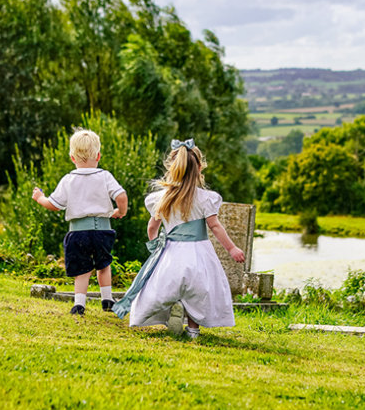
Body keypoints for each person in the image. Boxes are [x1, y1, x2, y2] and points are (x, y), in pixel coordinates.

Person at [112, 139, 245, 339]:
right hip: (198, 252)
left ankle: (172, 312)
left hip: (171, 253)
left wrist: (156, 245)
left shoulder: (162, 198)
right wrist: (232, 249)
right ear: (199, 168)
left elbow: (152, 227)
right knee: (199, 291)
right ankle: (193, 329)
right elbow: (215, 226)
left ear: (171, 167)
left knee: (163, 288)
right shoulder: (205, 198)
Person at [32, 129, 128, 316]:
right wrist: (120, 212)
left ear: (72, 157)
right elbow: (121, 195)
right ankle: (107, 299)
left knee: (82, 269)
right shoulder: (105, 176)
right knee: (103, 264)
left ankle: (79, 304)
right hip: (103, 230)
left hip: (78, 232)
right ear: (98, 155)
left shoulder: (69, 179)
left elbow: (54, 205)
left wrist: (40, 198)